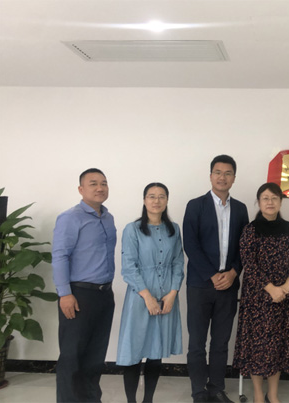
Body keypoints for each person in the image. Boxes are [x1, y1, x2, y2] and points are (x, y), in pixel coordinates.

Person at [183, 155, 249, 403]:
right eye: (218, 172)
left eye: (228, 173)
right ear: (210, 176)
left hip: (229, 285)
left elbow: (245, 247)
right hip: (200, 284)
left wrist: (233, 272)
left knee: (221, 342)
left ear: (234, 178)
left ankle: (216, 388)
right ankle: (198, 391)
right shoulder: (195, 205)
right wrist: (212, 275)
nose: (223, 177)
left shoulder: (241, 209)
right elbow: (190, 244)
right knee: (197, 342)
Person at [233, 183, 289, 403]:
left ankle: (272, 394)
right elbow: (248, 263)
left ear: (280, 202)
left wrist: (286, 288)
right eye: (265, 198)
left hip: (283, 298)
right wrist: (271, 288)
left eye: (274, 198)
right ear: (258, 202)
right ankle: (257, 394)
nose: (270, 202)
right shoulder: (250, 229)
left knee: (277, 347)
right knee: (257, 347)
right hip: (257, 298)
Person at [52, 168, 117, 402]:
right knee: (72, 357)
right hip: (78, 295)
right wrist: (65, 294)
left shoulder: (108, 218)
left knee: (95, 357)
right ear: (81, 189)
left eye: (104, 183)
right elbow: (60, 256)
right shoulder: (70, 217)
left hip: (104, 295)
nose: (100, 188)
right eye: (93, 183)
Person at [116, 183, 185, 403]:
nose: (156, 201)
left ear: (167, 200)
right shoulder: (132, 229)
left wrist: (173, 293)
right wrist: (147, 297)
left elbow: (178, 263)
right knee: (134, 353)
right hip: (140, 298)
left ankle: (148, 400)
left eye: (161, 196)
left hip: (166, 297)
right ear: (144, 200)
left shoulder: (174, 229)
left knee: (156, 353)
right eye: (151, 196)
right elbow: (129, 267)